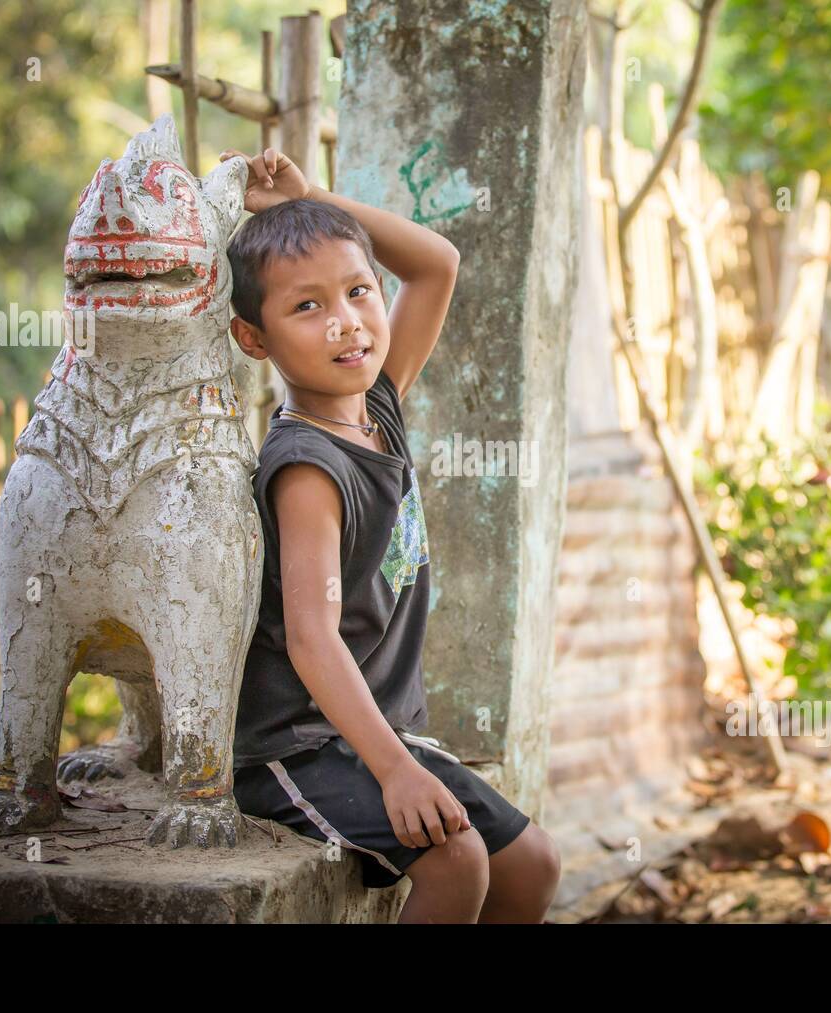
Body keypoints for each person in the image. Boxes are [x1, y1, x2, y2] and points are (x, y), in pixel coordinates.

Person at [220, 146, 561, 923]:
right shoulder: (306, 466)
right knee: (457, 859)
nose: (345, 320)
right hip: (294, 745)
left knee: (533, 864)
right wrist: (397, 772)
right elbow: (311, 640)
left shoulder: (378, 405)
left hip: (371, 731)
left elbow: (436, 263)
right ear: (254, 338)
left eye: (358, 291)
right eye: (306, 307)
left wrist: (307, 199)